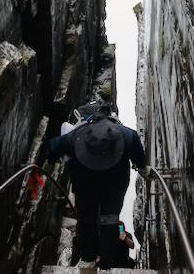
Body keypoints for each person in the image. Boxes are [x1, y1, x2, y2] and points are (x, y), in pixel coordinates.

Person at [47, 98, 150, 269]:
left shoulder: (75, 135)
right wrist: (143, 168)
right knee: (110, 221)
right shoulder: (125, 134)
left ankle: (88, 259)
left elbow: (53, 148)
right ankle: (106, 265)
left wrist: (49, 161)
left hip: (86, 183)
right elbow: (136, 147)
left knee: (87, 220)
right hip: (114, 185)